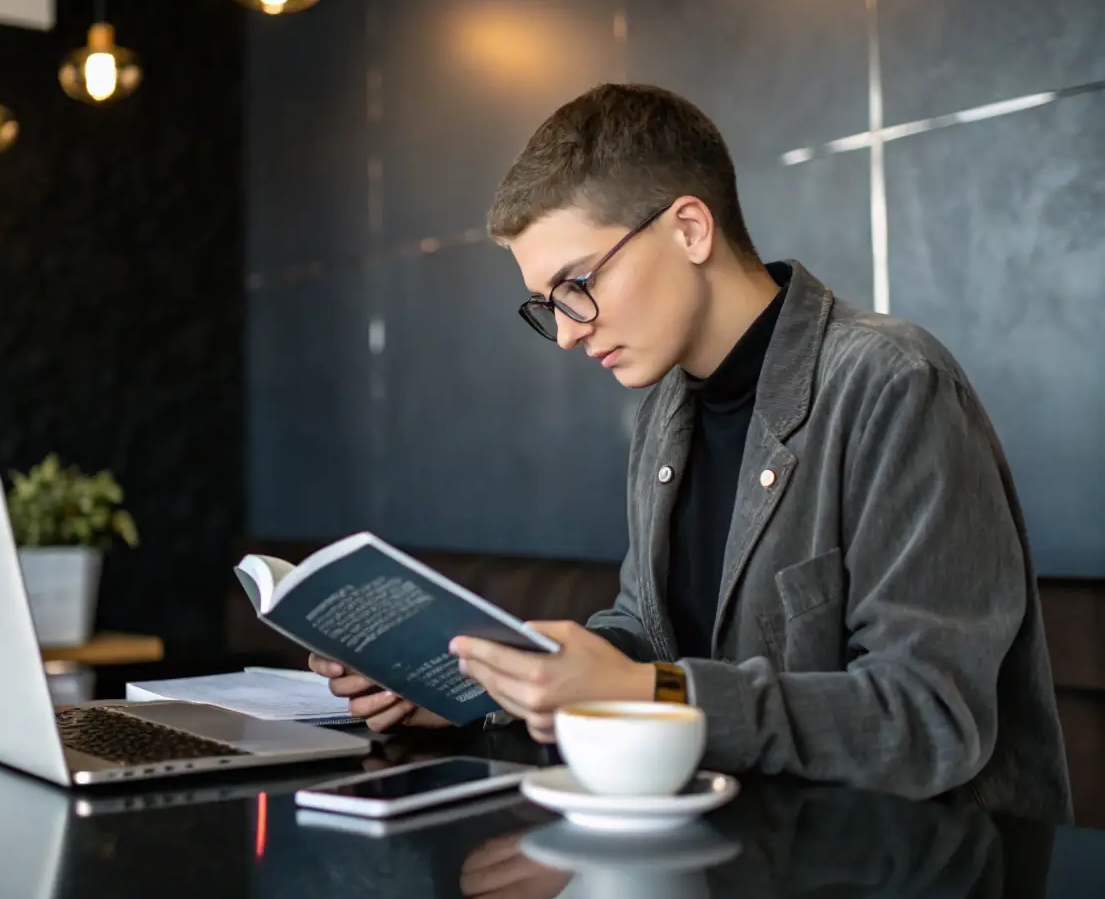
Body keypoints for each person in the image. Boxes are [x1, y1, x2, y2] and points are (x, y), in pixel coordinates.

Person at [309, 83, 1072, 823]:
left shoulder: (893, 383)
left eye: (576, 284)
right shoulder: (666, 413)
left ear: (689, 230)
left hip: (918, 867)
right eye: (548, 305)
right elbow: (647, 636)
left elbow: (927, 719)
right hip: (735, 857)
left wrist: (654, 692)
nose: (569, 331)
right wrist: (475, 688)